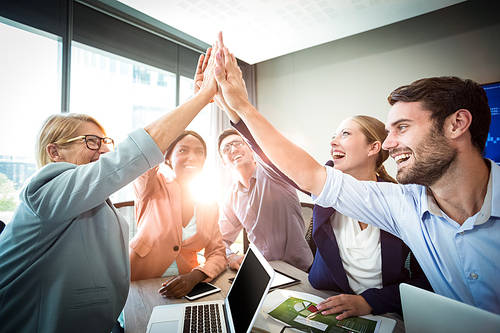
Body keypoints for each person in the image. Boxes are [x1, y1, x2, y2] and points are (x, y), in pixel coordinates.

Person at [212, 39, 499, 315]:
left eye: (402, 127)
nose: (389, 144)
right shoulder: (404, 205)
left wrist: (372, 301)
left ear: (457, 124)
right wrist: (239, 108)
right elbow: (302, 172)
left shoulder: (399, 202)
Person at [0, 45, 218, 332]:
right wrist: (200, 98)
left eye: (105, 143)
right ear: (54, 152)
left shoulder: (93, 200)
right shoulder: (44, 189)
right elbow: (132, 156)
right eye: (91, 141)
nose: (103, 151)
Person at [129, 130, 226, 298]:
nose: (192, 157)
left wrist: (195, 276)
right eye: (183, 150)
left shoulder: (209, 203)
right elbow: (145, 157)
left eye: (199, 152)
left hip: (183, 288)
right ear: (167, 157)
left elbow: (217, 253)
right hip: (137, 283)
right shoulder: (151, 185)